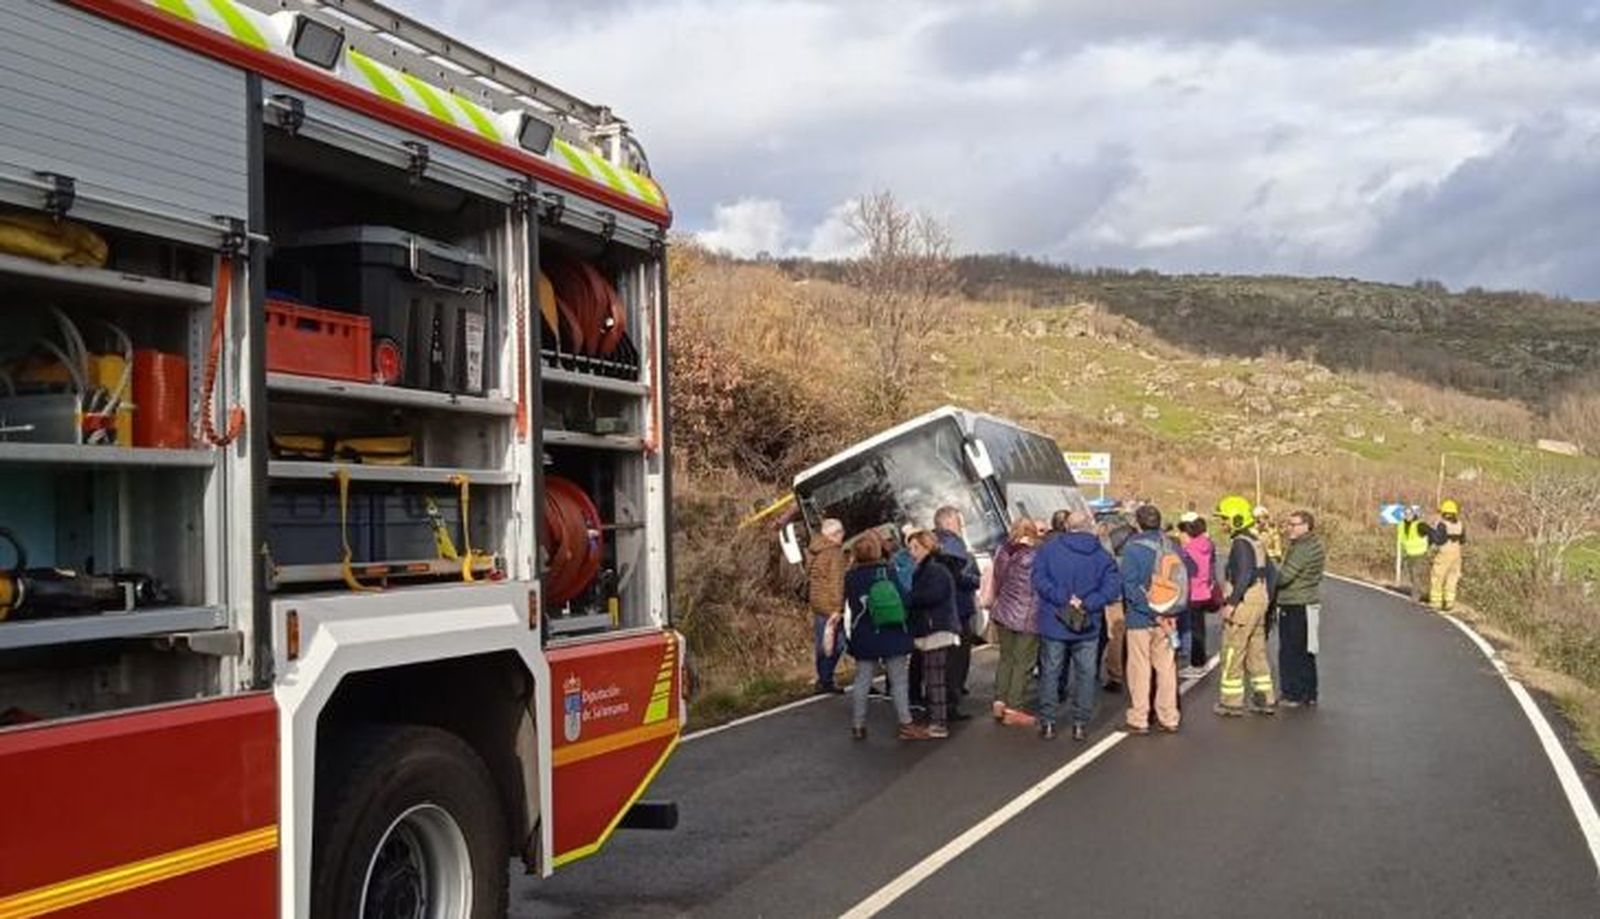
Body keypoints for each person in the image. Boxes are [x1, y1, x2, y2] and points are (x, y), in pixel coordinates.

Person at [1033, 510, 1121, 741]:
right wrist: (1089, 602)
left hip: (1054, 619)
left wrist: (1063, 597)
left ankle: (1049, 721)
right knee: (1086, 673)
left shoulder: (1049, 549)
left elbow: (1039, 579)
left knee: (1051, 672)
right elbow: (1112, 586)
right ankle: (1080, 723)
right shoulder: (1101, 554)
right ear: (1088, 526)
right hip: (1088, 621)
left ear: (1066, 526)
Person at [843, 531, 931, 740]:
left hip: (864, 632)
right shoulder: (887, 571)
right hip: (891, 631)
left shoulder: (850, 577)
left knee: (863, 679)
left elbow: (851, 604)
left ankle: (858, 725)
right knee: (899, 679)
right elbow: (903, 598)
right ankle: (906, 724)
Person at [1118, 504, 1184, 734]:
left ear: (1137, 523)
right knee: (1166, 668)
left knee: (1140, 667)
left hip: (1141, 618)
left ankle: (1139, 717)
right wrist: (1170, 612)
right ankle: (1169, 716)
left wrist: (1152, 612)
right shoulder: (1173, 545)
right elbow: (1184, 579)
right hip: (1170, 616)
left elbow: (1129, 585)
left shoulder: (1133, 548)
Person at [1214, 496, 1277, 716]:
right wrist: (1268, 604)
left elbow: (1244, 574)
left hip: (1245, 601)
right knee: (1256, 652)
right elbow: (1272, 573)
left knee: (1233, 649)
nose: (1222, 524)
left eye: (1225, 519)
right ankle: (1264, 697)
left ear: (1236, 519)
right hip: (1260, 598)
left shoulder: (1240, 543)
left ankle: (1231, 702)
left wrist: (1232, 603)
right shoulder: (1256, 540)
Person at [905, 529, 962, 738]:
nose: (912, 553)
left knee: (935, 679)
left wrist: (909, 598)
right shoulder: (929, 568)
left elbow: (934, 595)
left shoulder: (935, 570)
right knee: (933, 677)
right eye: (910, 548)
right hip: (932, 627)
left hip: (936, 628)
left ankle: (938, 723)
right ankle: (936, 719)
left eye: (916, 548)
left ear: (928, 547)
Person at [989, 518, 1042, 724]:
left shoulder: (1003, 551)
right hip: (1028, 614)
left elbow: (999, 580)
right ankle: (1014, 707)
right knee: (1024, 662)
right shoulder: (1037, 555)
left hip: (1004, 610)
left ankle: (999, 701)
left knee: (1006, 658)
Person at [933, 506, 982, 718]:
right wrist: (976, 580)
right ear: (950, 522)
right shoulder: (953, 544)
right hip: (957, 607)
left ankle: (939, 698)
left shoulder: (931, 542)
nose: (962, 527)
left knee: (939, 657)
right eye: (959, 522)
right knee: (957, 657)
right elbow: (960, 575)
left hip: (939, 609)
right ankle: (951, 702)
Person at [1275, 511, 1326, 707]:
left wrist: (1270, 579)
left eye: (1294, 524)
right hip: (1307, 602)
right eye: (1289, 524)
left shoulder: (1302, 548)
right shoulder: (1313, 545)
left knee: (1291, 650)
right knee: (1306, 650)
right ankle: (1309, 692)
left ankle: (1293, 694)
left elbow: (1285, 576)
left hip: (1295, 603)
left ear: (1306, 526)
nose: (1289, 528)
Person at [805, 518, 848, 694]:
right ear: (835, 534)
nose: (844, 535)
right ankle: (826, 679)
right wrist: (838, 608)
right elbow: (837, 582)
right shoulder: (835, 553)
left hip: (817, 603)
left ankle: (823, 678)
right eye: (841, 532)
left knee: (823, 643)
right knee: (838, 643)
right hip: (830, 604)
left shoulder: (814, 550)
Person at [1097, 511, 1137, 693]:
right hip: (1134, 593)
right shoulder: (1137, 540)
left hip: (1114, 595)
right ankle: (1129, 668)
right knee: (1129, 633)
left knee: (1115, 634)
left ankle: (1115, 674)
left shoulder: (1109, 542)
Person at [1176, 512, 1220, 677]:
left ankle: (1197, 664)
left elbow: (1189, 571)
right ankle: (1198, 661)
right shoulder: (1207, 544)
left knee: (1195, 631)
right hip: (1205, 591)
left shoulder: (1189, 550)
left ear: (1187, 534)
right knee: (1199, 629)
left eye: (1181, 533)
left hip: (1193, 592)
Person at [1429, 499, 1466, 612]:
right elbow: (1463, 540)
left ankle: (1436, 603)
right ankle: (1449, 603)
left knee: (1437, 577)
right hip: (1457, 554)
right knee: (1452, 578)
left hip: (1445, 552)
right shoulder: (1460, 524)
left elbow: (1438, 540)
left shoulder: (1442, 524)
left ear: (1444, 512)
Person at [1397, 505, 1432, 600]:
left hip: (1420, 554)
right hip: (1409, 554)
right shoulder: (1401, 525)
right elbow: (1402, 539)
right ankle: (1419, 592)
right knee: (1412, 575)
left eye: (1410, 514)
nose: (1408, 516)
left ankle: (1416, 596)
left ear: (1414, 515)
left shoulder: (1419, 525)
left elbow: (1431, 533)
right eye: (1406, 514)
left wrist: (1429, 544)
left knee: (1416, 574)